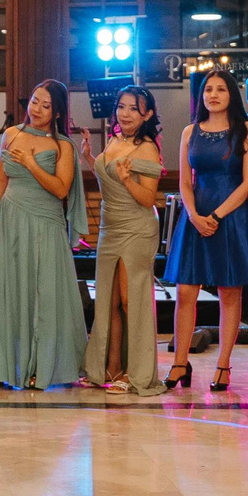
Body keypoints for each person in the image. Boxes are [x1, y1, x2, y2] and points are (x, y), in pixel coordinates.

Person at [0, 79, 88, 389]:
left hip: (45, 223)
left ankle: (42, 368)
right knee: (9, 291)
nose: (37, 109)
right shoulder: (11, 134)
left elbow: (60, 189)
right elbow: (0, 182)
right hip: (11, 220)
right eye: (34, 101)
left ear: (57, 112)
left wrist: (31, 163)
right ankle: (5, 366)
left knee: (45, 294)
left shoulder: (63, 146)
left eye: (46, 105)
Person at [165, 68, 248, 391]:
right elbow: (185, 182)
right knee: (185, 292)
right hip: (195, 216)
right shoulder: (188, 132)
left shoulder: (246, 129)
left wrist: (217, 216)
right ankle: (180, 363)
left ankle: (223, 365)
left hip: (232, 216)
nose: (213, 95)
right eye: (208, 89)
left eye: (221, 89)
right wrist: (193, 214)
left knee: (229, 291)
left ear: (231, 95)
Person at [83, 84, 165, 395]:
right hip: (109, 227)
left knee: (132, 301)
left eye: (133, 108)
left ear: (147, 114)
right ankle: (111, 366)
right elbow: (108, 178)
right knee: (109, 301)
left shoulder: (147, 148)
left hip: (136, 228)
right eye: (121, 106)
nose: (125, 113)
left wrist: (129, 178)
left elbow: (147, 198)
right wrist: (90, 157)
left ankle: (136, 372)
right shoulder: (115, 140)